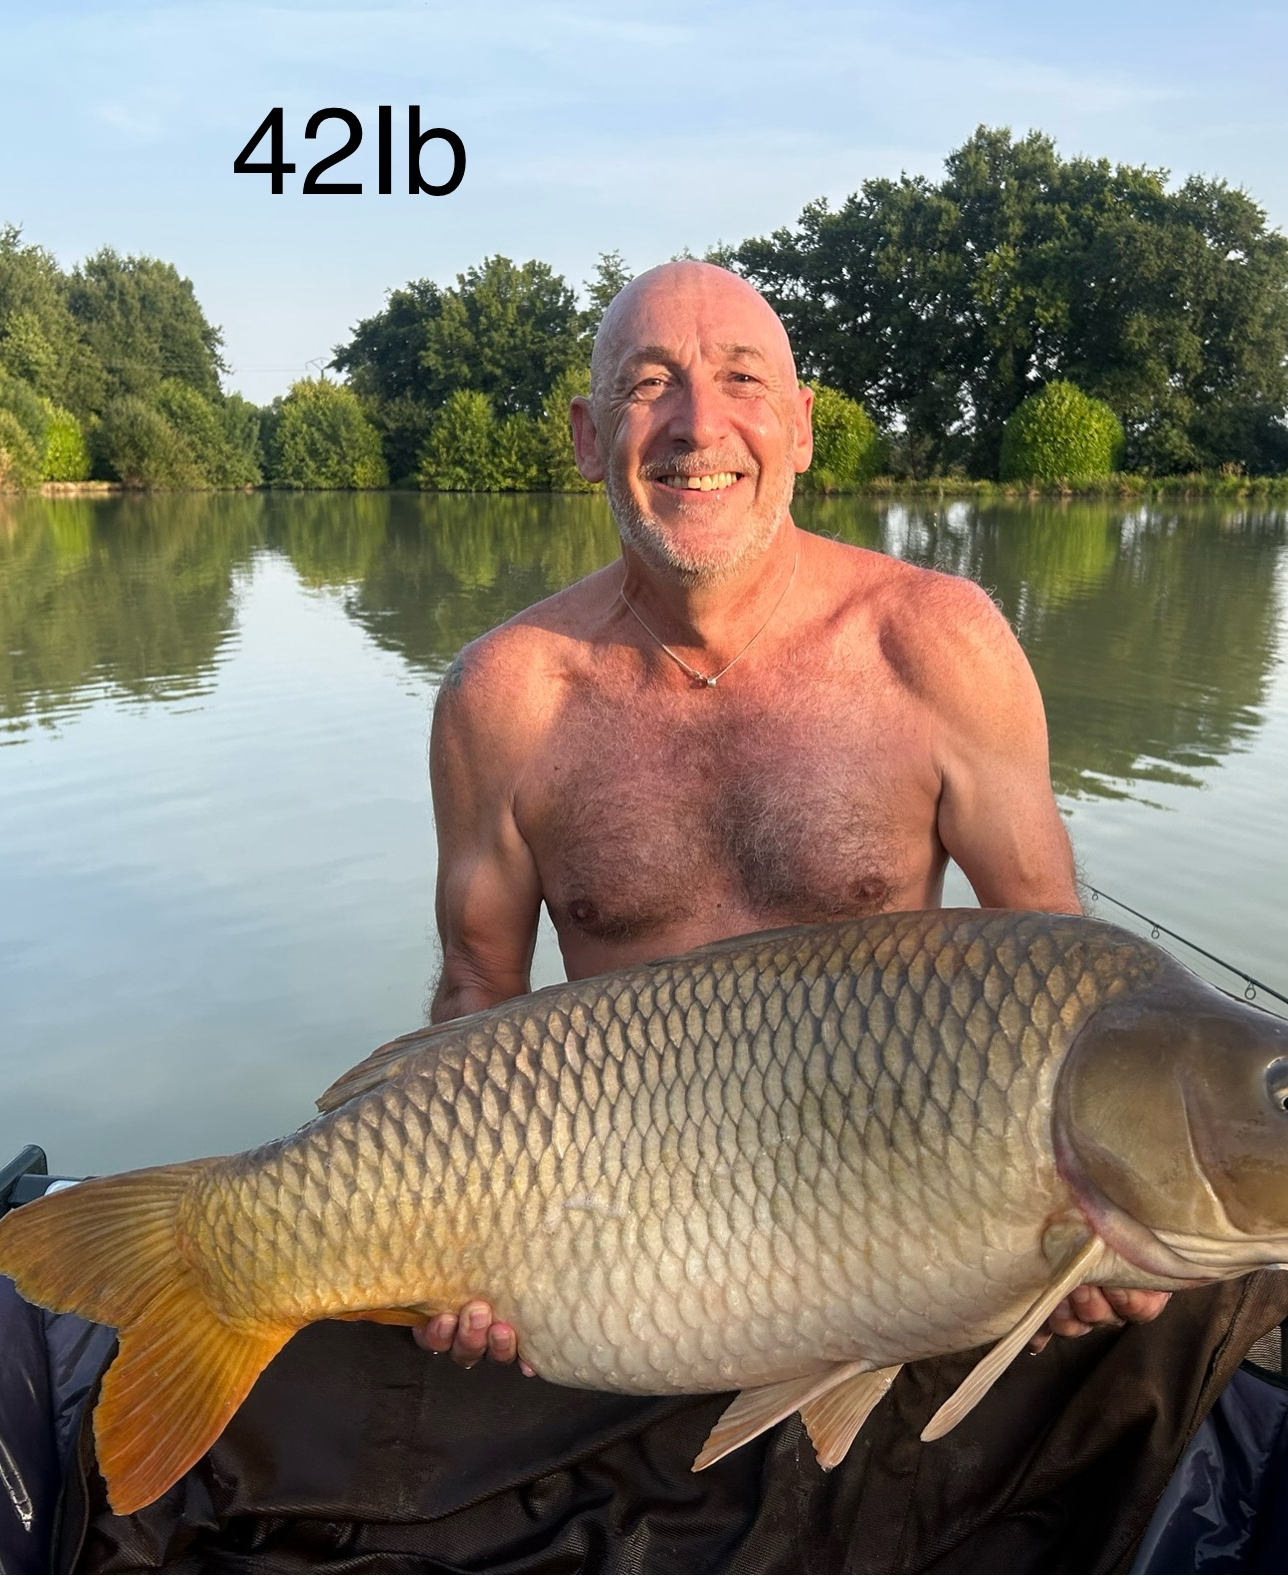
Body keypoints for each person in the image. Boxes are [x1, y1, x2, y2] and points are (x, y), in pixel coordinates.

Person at [416, 260, 1168, 1372]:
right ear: (586, 436)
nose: (698, 424)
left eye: (742, 380)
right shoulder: (505, 695)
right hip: (618, 1252)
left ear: (803, 428)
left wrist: (1095, 1215)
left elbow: (1061, 977)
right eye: (649, 384)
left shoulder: (935, 643)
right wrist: (452, 1236)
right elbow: (478, 992)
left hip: (899, 1220)